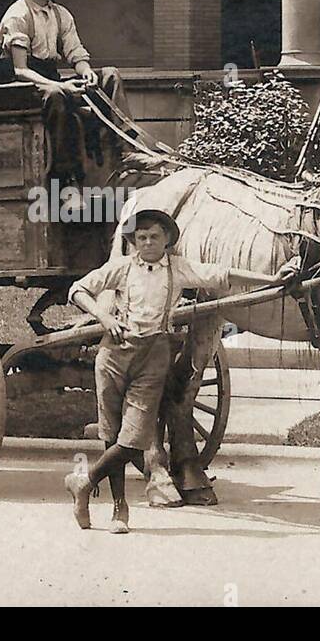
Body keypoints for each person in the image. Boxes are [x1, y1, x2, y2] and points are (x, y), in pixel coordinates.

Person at [64, 208, 301, 532]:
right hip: (114, 356)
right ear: (133, 241)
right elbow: (78, 289)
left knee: (133, 439)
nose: (147, 243)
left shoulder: (179, 269)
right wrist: (103, 317)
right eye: (141, 237)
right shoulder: (120, 269)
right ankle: (120, 508)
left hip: (154, 357)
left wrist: (272, 280)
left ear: (167, 241)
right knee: (111, 433)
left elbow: (223, 275)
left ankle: (85, 481)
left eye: (154, 237)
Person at [0, 0, 128, 183]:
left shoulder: (61, 14)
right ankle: (64, 177)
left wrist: (86, 71)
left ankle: (125, 149)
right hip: (25, 86)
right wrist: (64, 87)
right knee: (56, 94)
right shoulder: (18, 15)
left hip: (53, 79)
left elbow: (75, 51)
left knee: (110, 75)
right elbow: (20, 69)